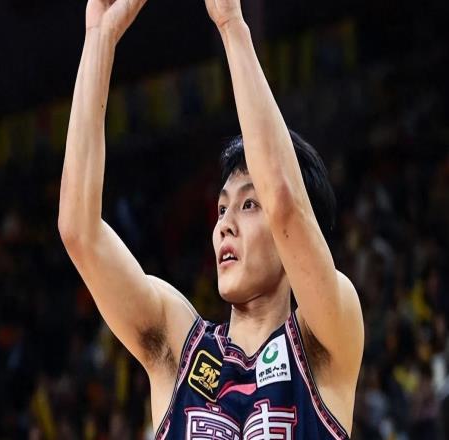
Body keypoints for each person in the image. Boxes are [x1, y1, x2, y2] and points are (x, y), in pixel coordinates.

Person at [58, 0, 364, 438]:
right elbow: (79, 231)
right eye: (222, 209)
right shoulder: (178, 345)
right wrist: (99, 40)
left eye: (248, 205)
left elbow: (285, 201)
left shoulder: (326, 339)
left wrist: (230, 24)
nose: (225, 225)